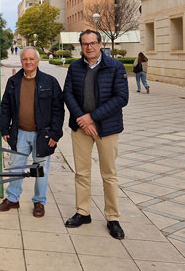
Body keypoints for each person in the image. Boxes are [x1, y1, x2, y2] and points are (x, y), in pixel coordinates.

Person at [62, 29, 129, 239]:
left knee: (109, 174)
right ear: (80, 46)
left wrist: (92, 117)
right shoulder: (74, 67)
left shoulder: (115, 67)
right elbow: (68, 94)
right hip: (80, 128)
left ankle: (112, 218)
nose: (89, 47)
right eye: (84, 44)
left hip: (106, 129)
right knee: (81, 172)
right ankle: (83, 212)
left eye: (92, 43)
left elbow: (121, 98)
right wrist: (82, 118)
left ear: (100, 44)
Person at [0, 47, 64, 218]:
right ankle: (13, 198)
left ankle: (39, 202)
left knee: (40, 170)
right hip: (19, 133)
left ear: (37, 61)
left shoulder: (50, 82)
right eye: (25, 59)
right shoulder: (13, 81)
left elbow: (58, 110)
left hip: (42, 135)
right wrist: (5, 129)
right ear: (21, 61)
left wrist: (55, 134)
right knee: (16, 168)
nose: (28, 62)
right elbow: (5, 107)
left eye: (31, 59)